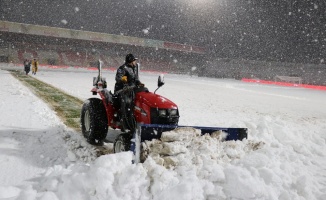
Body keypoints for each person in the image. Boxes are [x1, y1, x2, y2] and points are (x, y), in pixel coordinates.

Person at [114, 53, 144, 131]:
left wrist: (139, 83)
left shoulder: (133, 68)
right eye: (134, 60)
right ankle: (124, 123)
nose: (135, 62)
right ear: (131, 60)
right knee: (127, 102)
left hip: (131, 89)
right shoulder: (122, 68)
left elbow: (135, 79)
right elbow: (118, 78)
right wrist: (124, 82)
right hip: (122, 90)